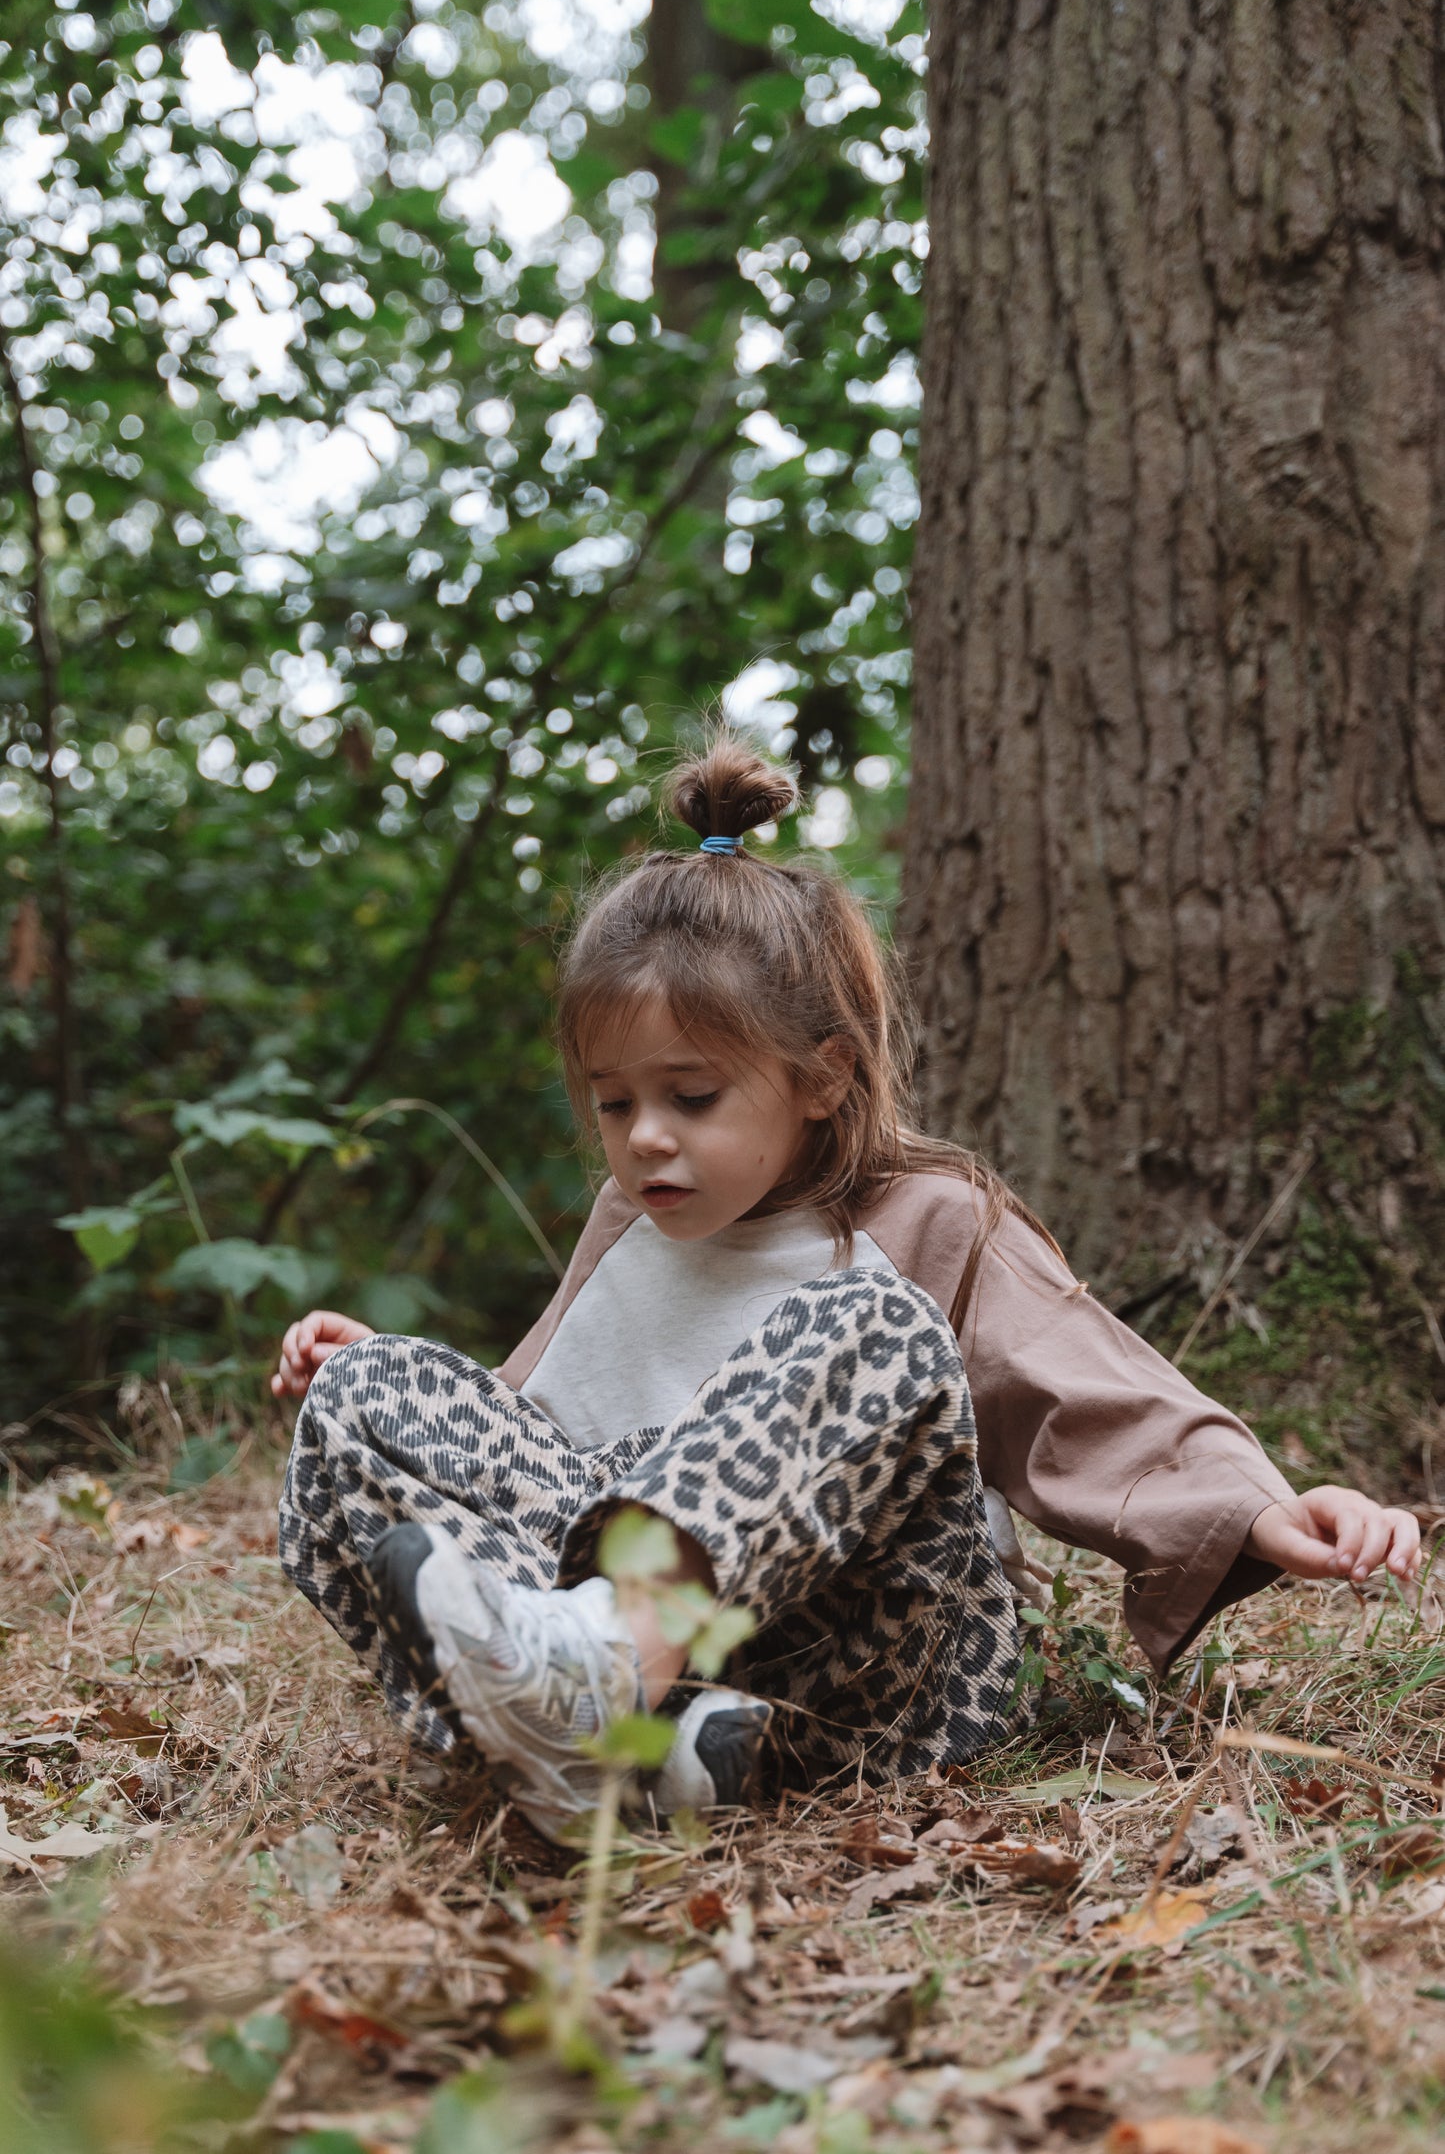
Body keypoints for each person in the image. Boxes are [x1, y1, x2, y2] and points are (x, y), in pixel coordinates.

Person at [273, 735, 1421, 1844]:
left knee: (862, 1324)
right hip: (663, 1676)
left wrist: (1259, 1509)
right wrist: (402, 1388)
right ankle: (619, 1744)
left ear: (819, 1076)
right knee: (373, 1385)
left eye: (692, 1095)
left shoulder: (925, 1219)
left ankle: (611, 1689)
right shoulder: (629, 1220)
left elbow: (1099, 1395)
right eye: (614, 1102)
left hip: (866, 1675)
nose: (645, 1140)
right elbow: (537, 1431)